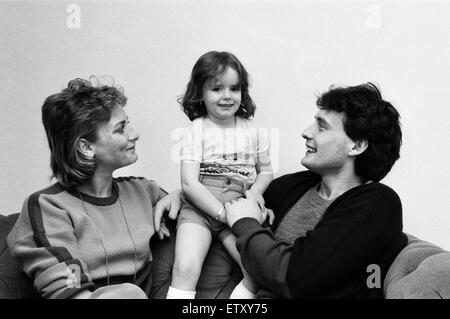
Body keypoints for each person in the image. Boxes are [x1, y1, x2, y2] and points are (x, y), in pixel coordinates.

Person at [223, 83, 408, 298]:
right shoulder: (289, 187)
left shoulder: (377, 205)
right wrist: (183, 196)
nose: (306, 132)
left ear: (356, 146)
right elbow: (230, 200)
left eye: (322, 126)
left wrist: (245, 223)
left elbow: (293, 277)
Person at [7, 76, 180, 299]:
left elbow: (201, 213)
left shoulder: (144, 192)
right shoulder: (48, 206)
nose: (135, 134)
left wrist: (179, 195)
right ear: (86, 147)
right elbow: (69, 282)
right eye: (121, 129)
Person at [166, 51, 274, 299]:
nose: (227, 96)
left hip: (238, 205)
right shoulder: (197, 129)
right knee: (185, 267)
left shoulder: (252, 131)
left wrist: (252, 196)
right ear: (200, 93)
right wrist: (223, 214)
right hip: (200, 207)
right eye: (217, 88)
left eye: (234, 89)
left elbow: (266, 171)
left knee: (257, 270)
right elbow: (189, 184)